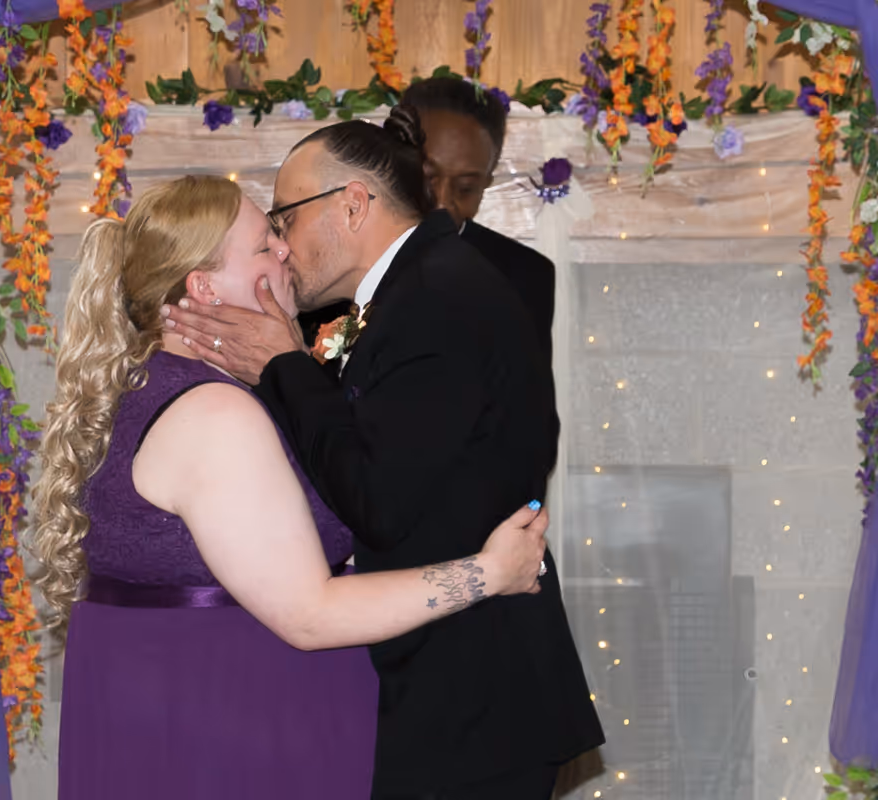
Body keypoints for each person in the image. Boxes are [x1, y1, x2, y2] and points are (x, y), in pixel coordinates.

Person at [32, 175, 553, 799]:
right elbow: (310, 613)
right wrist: (490, 573)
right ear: (203, 285)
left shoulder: (150, 384)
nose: (284, 251)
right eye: (263, 245)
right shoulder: (215, 417)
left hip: (193, 711)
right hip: (236, 730)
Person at [162, 112, 604, 798]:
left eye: (285, 218)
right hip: (450, 691)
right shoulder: (417, 287)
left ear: (353, 204)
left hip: (470, 702)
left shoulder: (437, 298)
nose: (280, 244)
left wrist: (286, 367)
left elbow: (379, 501)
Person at [400, 76, 556, 364]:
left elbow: (529, 406)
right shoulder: (343, 257)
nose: (442, 202)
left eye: (466, 188)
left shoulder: (523, 277)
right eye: (427, 177)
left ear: (486, 184)